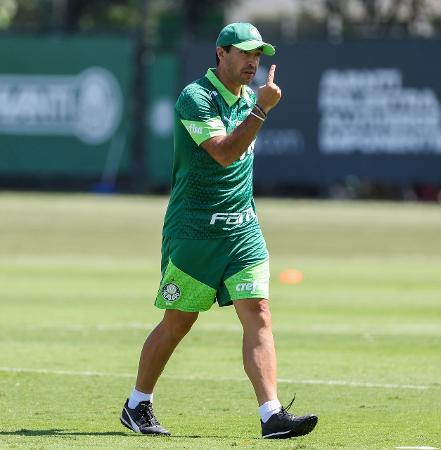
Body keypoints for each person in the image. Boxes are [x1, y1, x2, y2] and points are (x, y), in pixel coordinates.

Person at [120, 22, 318, 439]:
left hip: (242, 230)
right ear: (220, 54)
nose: (253, 62)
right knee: (179, 321)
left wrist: (256, 105)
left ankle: (271, 415)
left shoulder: (249, 97)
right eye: (245, 53)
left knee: (258, 313)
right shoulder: (197, 97)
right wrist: (261, 110)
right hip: (194, 231)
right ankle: (137, 404)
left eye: (258, 55)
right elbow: (225, 154)